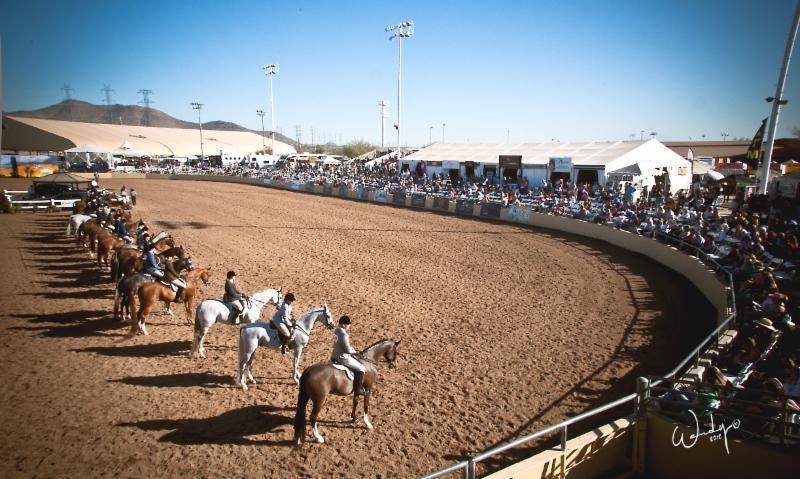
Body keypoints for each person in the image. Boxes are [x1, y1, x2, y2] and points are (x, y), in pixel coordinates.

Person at [331, 315, 367, 396]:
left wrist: (353, 350)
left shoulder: (336, 331)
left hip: (334, 355)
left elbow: (343, 345)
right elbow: (347, 350)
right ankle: (358, 389)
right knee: (361, 368)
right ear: (343, 324)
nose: (349, 326)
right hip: (342, 357)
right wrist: (356, 353)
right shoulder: (344, 335)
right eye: (348, 324)